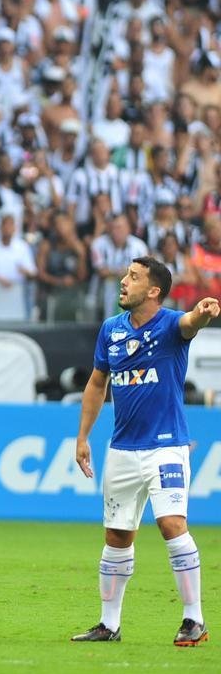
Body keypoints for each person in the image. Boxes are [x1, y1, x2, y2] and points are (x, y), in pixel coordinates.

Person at [71, 257, 219, 646]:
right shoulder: (111, 330)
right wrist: (83, 436)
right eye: (125, 275)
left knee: (171, 524)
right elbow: (97, 384)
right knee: (117, 535)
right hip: (122, 448)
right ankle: (109, 624)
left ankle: (194, 620)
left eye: (133, 277)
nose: (123, 281)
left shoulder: (171, 325)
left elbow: (191, 323)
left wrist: (202, 313)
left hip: (166, 446)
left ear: (153, 291)